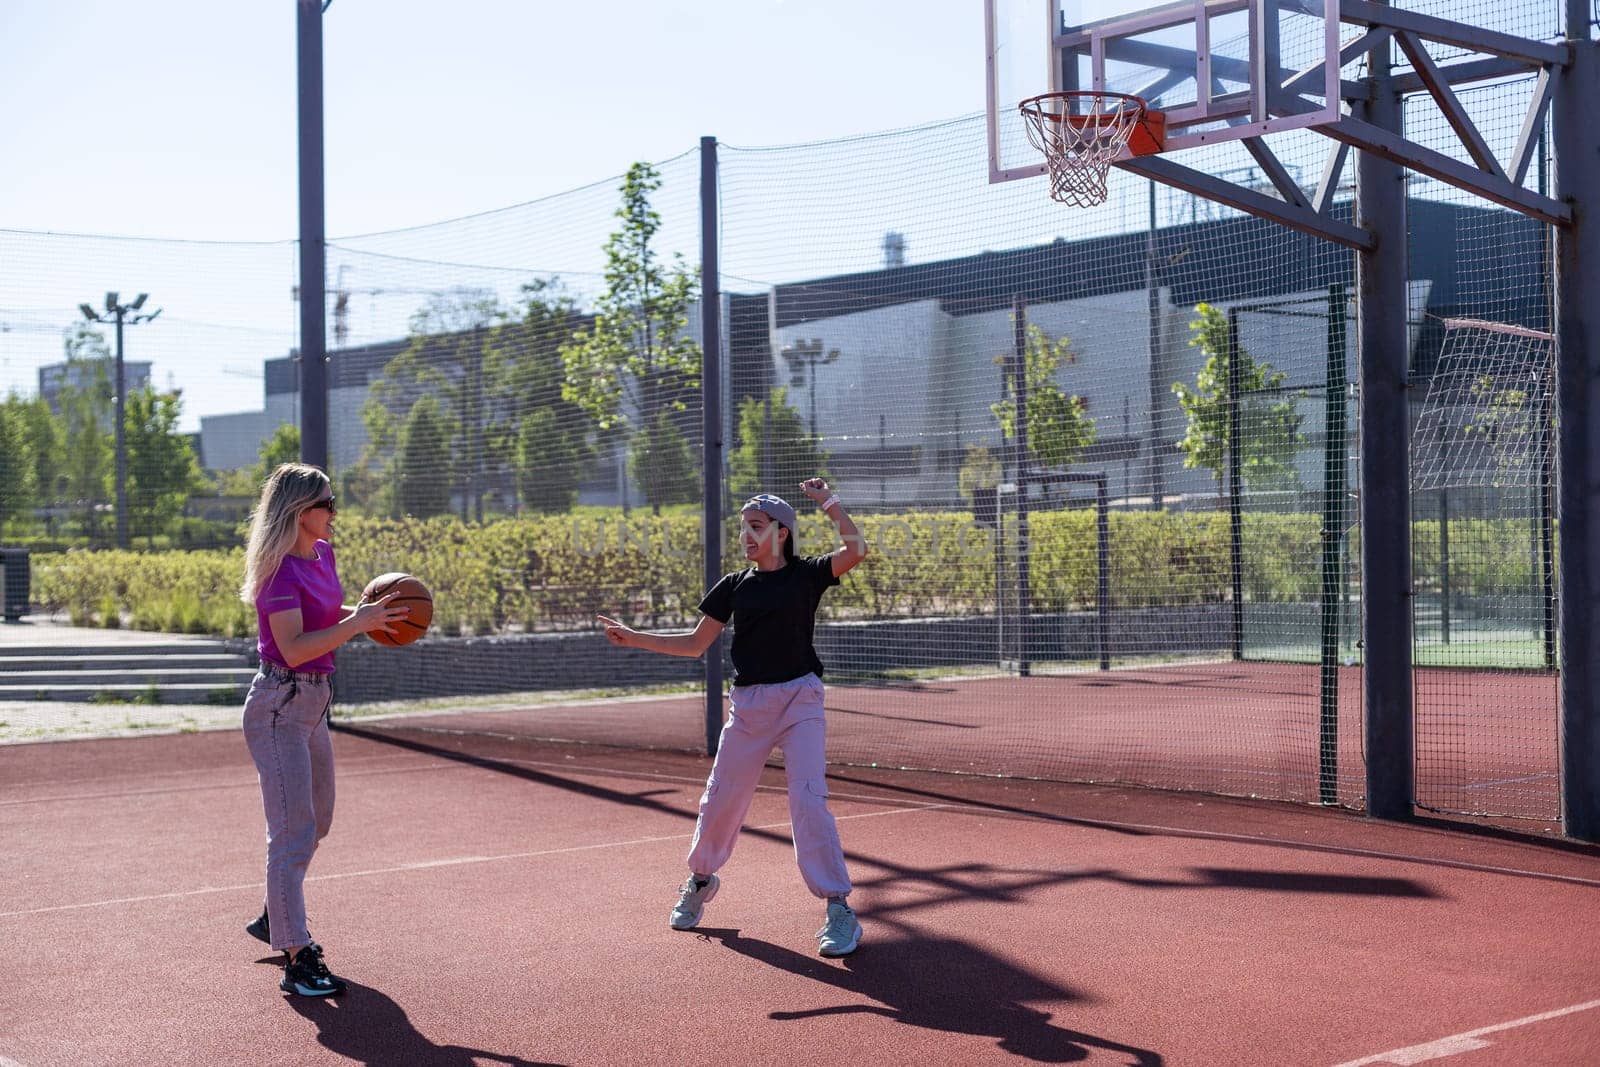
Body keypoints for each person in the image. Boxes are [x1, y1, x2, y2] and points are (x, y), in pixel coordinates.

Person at [597, 477, 869, 957]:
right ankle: (701, 879)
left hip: (801, 700)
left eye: (757, 527)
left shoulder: (808, 574)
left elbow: (856, 547)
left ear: (781, 532)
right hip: (749, 706)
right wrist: (635, 637)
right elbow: (695, 644)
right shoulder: (733, 587)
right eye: (743, 527)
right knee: (720, 799)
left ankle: (838, 907)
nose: (746, 535)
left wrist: (828, 502)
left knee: (808, 801)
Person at [237, 463, 409, 997]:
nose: (335, 512)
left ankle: (275, 913)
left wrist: (362, 615)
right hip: (279, 704)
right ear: (299, 511)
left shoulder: (322, 555)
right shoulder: (277, 572)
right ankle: (296, 955)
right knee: (291, 834)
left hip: (313, 702)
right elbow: (293, 646)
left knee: (320, 821)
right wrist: (354, 625)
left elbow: (322, 617)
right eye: (328, 504)